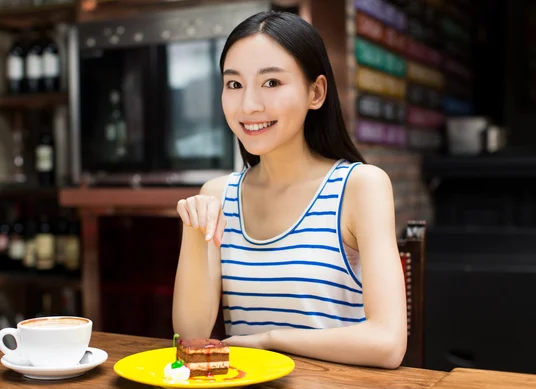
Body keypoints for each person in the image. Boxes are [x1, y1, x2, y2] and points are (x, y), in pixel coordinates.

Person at [172, 10, 407, 369]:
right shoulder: (218, 195)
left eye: (271, 83)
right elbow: (190, 337)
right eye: (234, 84)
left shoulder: (360, 186)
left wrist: (271, 340)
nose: (249, 105)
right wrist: (193, 230)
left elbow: (388, 343)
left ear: (316, 92)